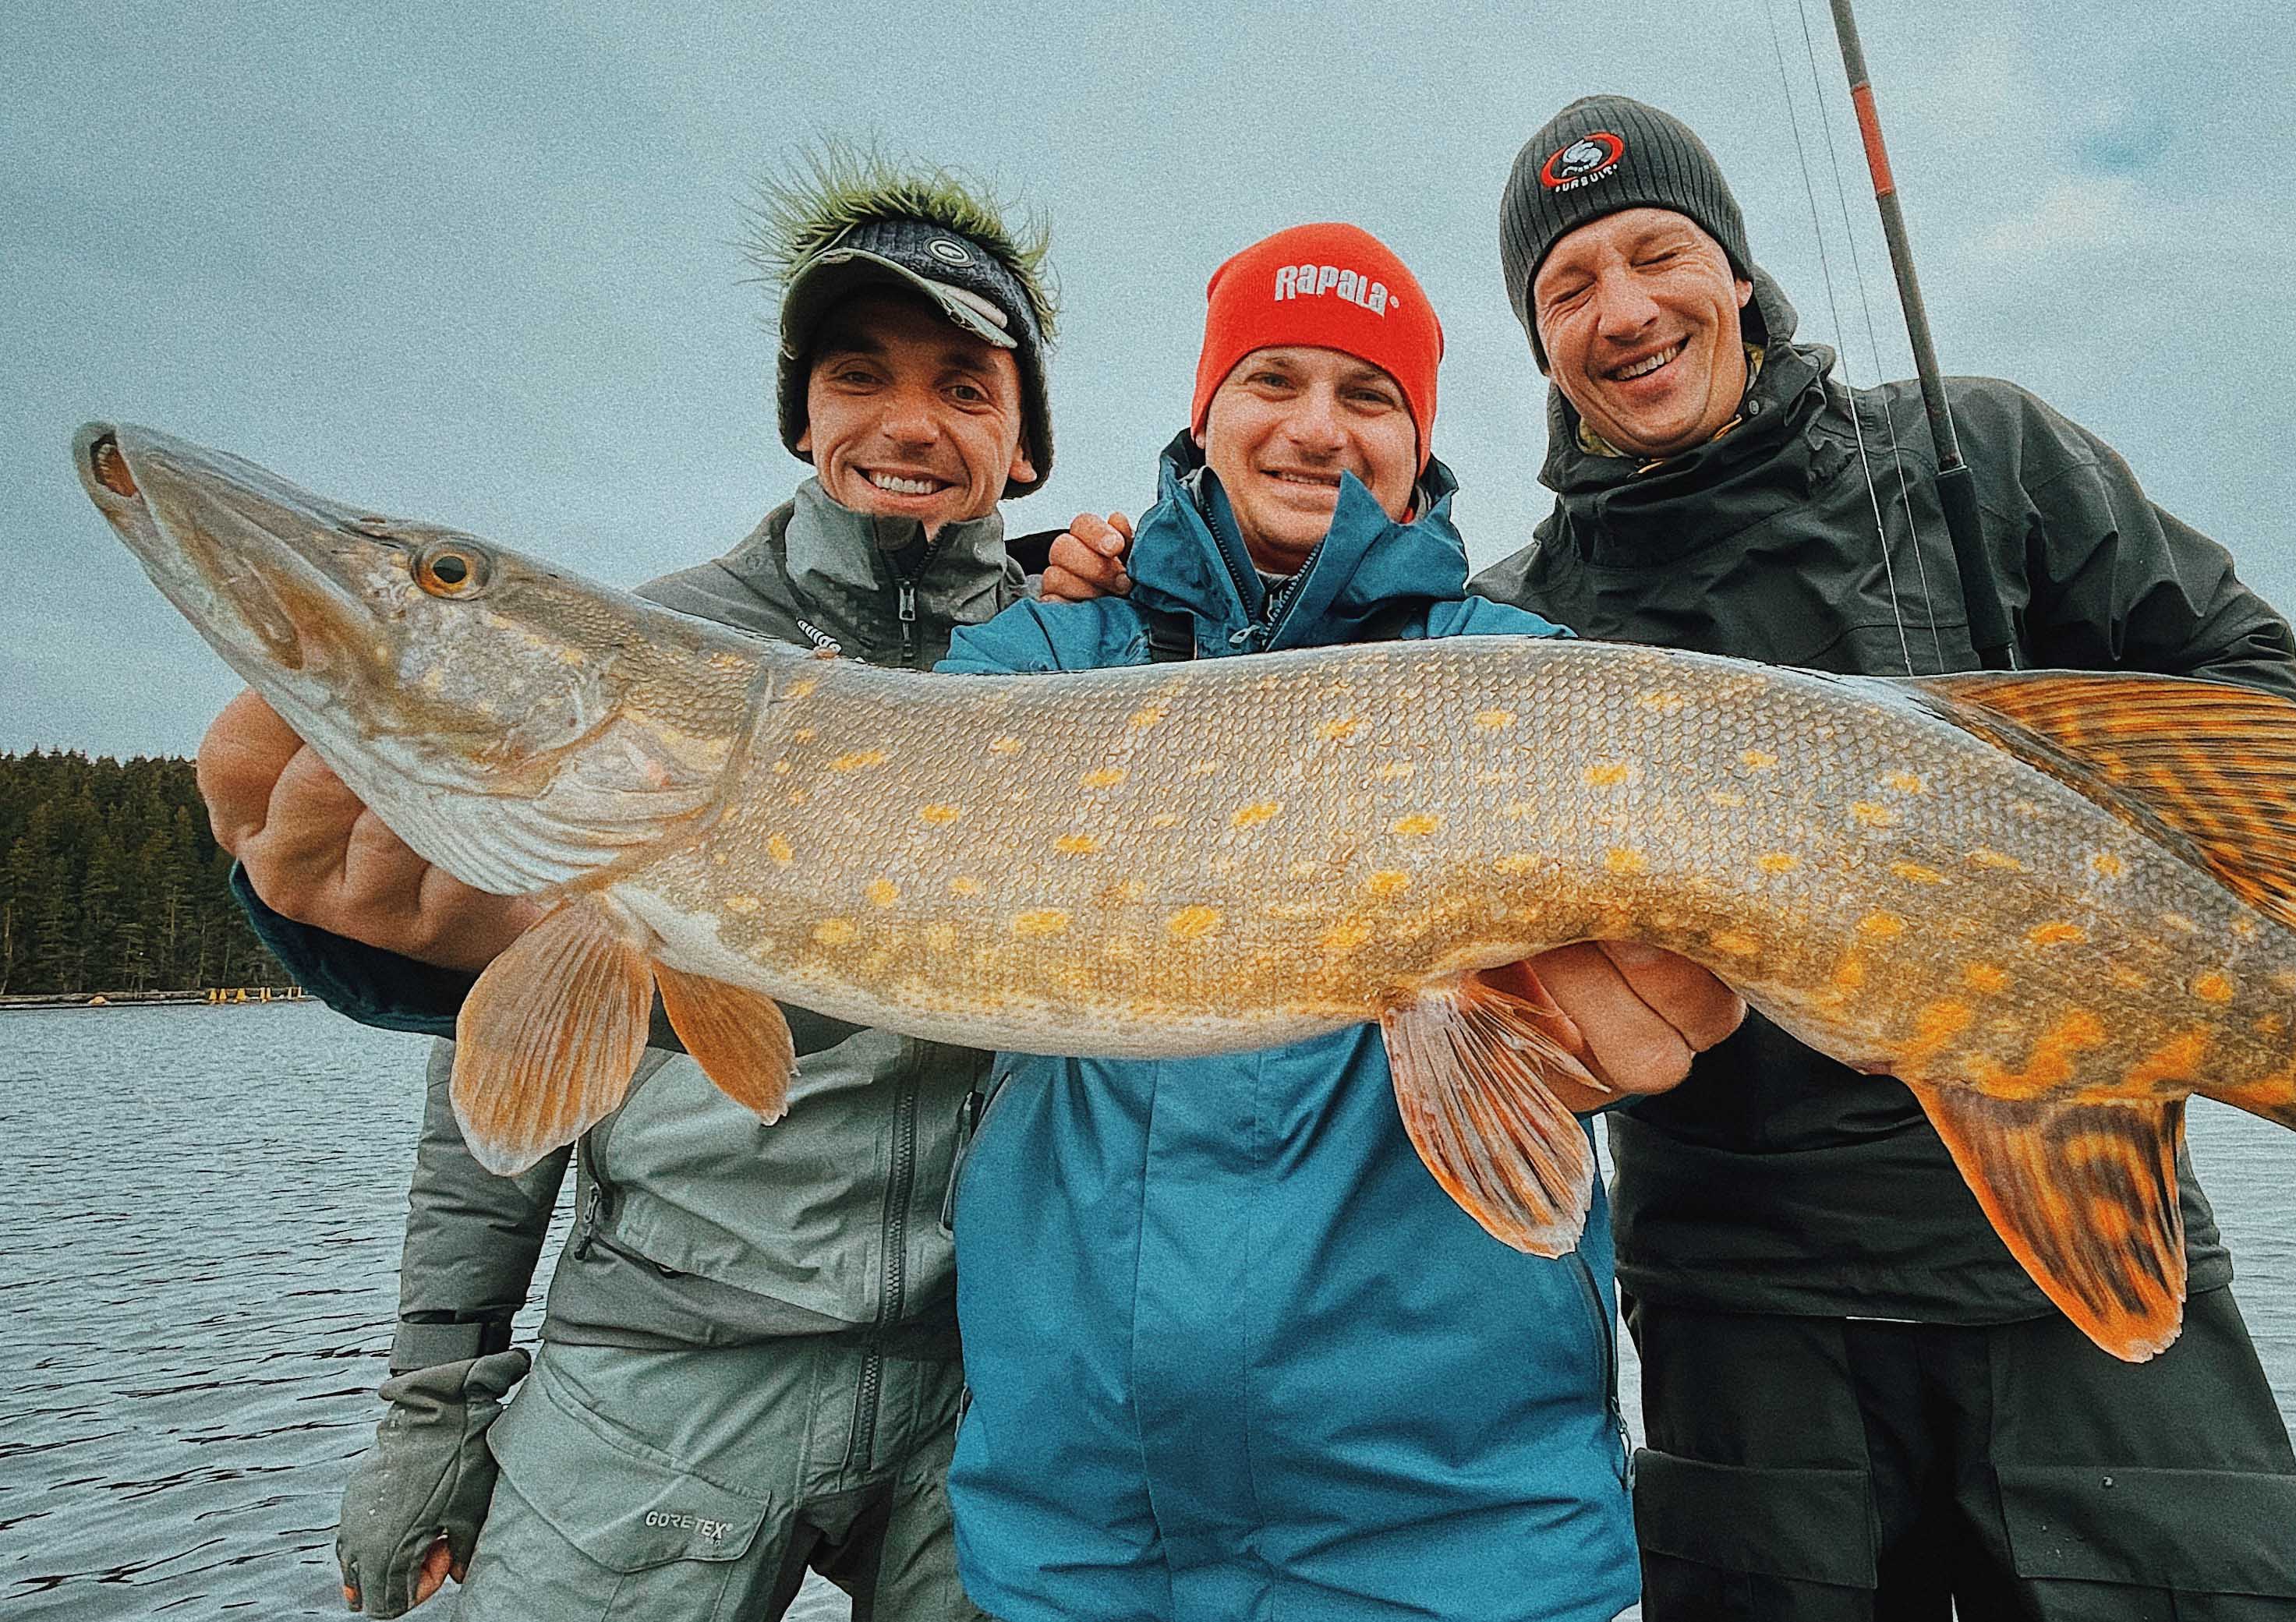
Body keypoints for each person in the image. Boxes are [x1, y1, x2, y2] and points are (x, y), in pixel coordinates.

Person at [1474, 94, 2296, 1620]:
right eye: (1568, 288)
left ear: (1734, 274)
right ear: (1542, 341)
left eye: (1655, 254)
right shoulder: (1520, 625)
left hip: (2078, 1268)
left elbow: (2232, 687)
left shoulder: (1984, 456)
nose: (1621, 308)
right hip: (1748, 1324)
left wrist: (2047, 890)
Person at [199, 151, 1063, 1620]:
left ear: (1024, 444)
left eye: (966, 389)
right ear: (802, 413)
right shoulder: (638, 648)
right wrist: (434, 1400)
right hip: (664, 1370)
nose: (909, 422)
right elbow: (499, 1064)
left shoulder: (1073, 670)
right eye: (860, 375)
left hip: (985, 1394)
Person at [930, 221, 1743, 1622]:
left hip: (1454, 1542)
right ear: (1205, 414)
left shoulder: (1517, 672)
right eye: (1272, 380)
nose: (1316, 427)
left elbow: (1608, 1030)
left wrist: (1599, 1037)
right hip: (1082, 1541)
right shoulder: (1041, 660)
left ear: (1418, 442)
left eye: (1367, 396)